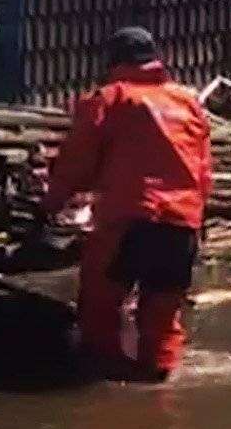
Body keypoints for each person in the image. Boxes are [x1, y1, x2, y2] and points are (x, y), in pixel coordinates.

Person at [41, 27, 214, 382]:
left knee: (100, 305)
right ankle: (158, 383)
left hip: (131, 217)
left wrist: (51, 204)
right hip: (182, 221)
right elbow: (203, 172)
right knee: (163, 313)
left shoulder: (110, 98)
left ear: (114, 61)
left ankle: (101, 381)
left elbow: (77, 162)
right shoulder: (187, 102)